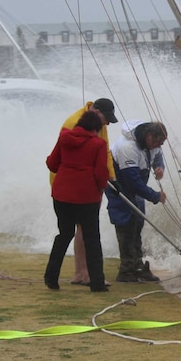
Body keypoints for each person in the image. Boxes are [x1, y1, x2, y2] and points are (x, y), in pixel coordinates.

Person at [51, 97, 118, 286]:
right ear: (96, 113)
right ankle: (87, 275)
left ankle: (79, 273)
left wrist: (113, 177)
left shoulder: (96, 124)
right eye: (107, 119)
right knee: (85, 233)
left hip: (67, 188)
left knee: (72, 232)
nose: (107, 124)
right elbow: (95, 162)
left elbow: (105, 154)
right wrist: (102, 183)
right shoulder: (73, 124)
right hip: (80, 189)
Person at [105, 120, 168, 283]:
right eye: (157, 142)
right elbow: (132, 182)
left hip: (136, 186)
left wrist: (159, 166)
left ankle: (138, 266)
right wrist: (155, 196)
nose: (159, 146)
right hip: (120, 186)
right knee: (126, 223)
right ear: (149, 136)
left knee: (138, 222)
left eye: (161, 143)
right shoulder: (128, 148)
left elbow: (158, 154)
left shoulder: (152, 143)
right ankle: (126, 270)